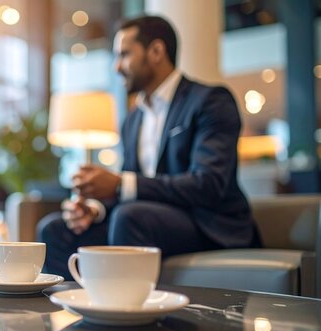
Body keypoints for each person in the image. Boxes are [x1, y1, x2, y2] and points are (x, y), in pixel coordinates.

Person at [38, 16, 257, 279]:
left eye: (124, 55)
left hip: (207, 223)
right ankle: (74, 311)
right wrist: (94, 210)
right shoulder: (133, 119)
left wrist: (120, 184)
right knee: (54, 229)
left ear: (156, 51)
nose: (116, 66)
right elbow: (130, 188)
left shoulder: (210, 101)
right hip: (147, 218)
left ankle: (121, 314)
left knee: (130, 216)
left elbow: (207, 184)